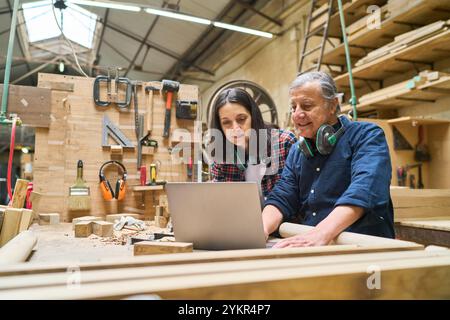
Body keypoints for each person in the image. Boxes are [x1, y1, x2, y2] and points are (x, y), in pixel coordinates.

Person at [262, 71, 395, 248]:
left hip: (361, 246)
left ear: (332, 105)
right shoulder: (297, 151)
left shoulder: (366, 136)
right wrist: (259, 230)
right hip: (313, 244)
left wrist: (321, 232)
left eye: (307, 106)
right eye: (294, 107)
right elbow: (282, 196)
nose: (297, 114)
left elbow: (365, 189)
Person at [208, 88, 296, 203]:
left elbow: (296, 196)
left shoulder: (284, 143)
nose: (235, 128)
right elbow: (222, 201)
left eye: (241, 119)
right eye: (226, 122)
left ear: (253, 116)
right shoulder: (222, 156)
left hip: (283, 220)